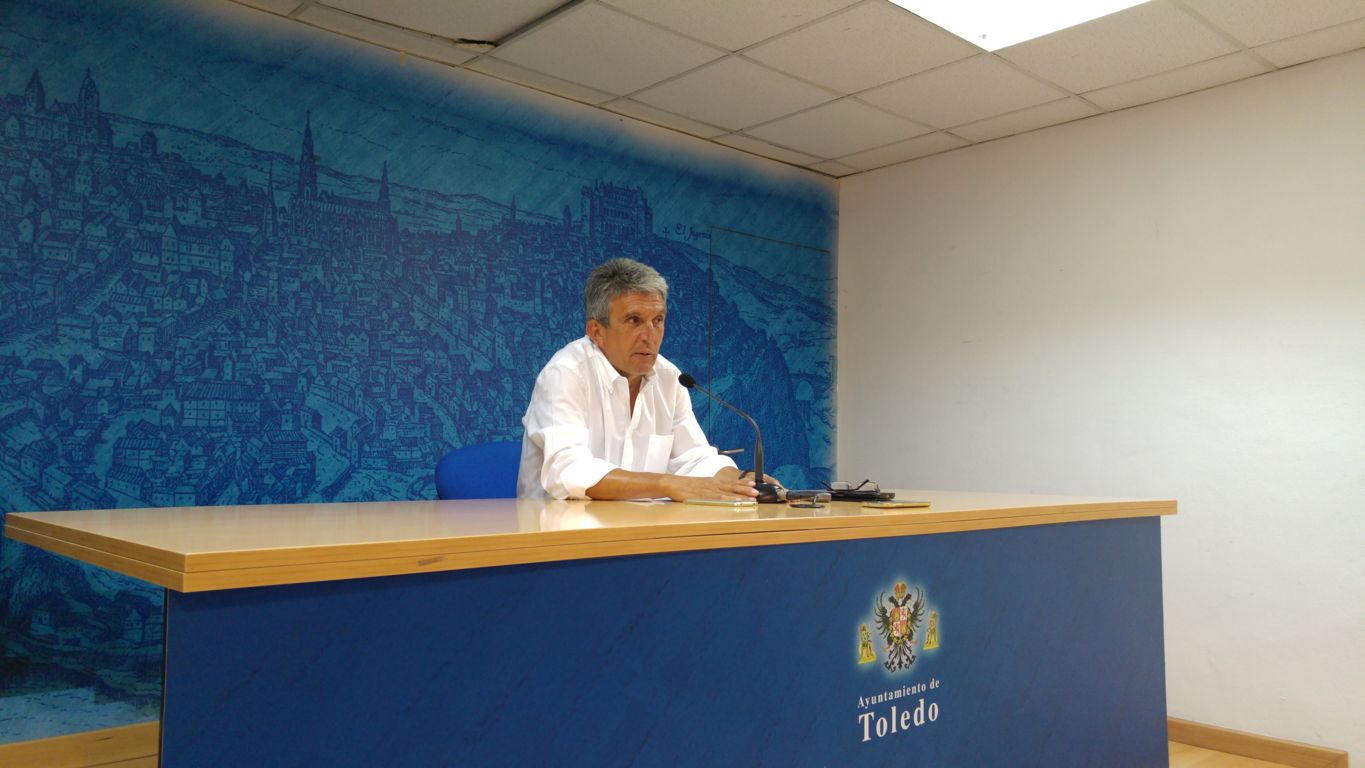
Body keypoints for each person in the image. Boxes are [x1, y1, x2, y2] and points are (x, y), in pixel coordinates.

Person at [518, 258, 762, 501]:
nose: (649, 336)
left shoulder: (670, 379)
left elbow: (694, 458)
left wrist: (742, 481)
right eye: (634, 320)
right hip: (558, 532)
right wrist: (667, 484)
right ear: (596, 332)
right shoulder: (566, 373)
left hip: (641, 531)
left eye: (658, 321)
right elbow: (569, 472)